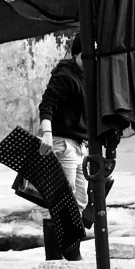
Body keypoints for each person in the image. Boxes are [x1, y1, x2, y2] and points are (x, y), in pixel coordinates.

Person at [38, 35, 88, 214]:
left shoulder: (87, 76)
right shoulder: (65, 75)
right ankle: (59, 239)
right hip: (64, 143)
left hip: (81, 145)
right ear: (77, 55)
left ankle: (70, 241)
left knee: (81, 202)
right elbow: (47, 104)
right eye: (86, 56)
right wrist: (47, 133)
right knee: (64, 201)